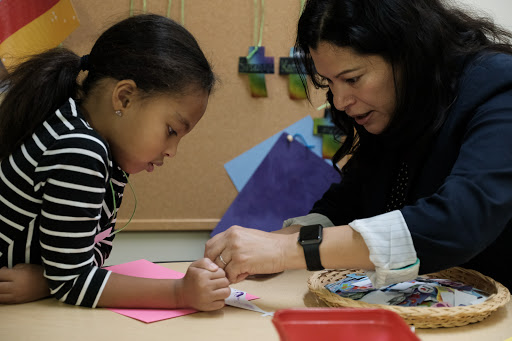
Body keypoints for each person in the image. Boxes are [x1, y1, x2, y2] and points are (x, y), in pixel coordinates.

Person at [205, 0, 512, 290]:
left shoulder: (499, 88)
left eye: (352, 79)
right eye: (329, 83)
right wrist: (274, 243)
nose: (339, 101)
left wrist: (288, 249)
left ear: (407, 53)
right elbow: (346, 203)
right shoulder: (400, 108)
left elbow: (457, 223)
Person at [0, 14, 231, 310]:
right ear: (124, 98)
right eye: (171, 131)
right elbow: (73, 282)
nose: (172, 151)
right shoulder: (80, 148)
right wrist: (179, 293)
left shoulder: (106, 156)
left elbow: (93, 253)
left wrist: (48, 279)